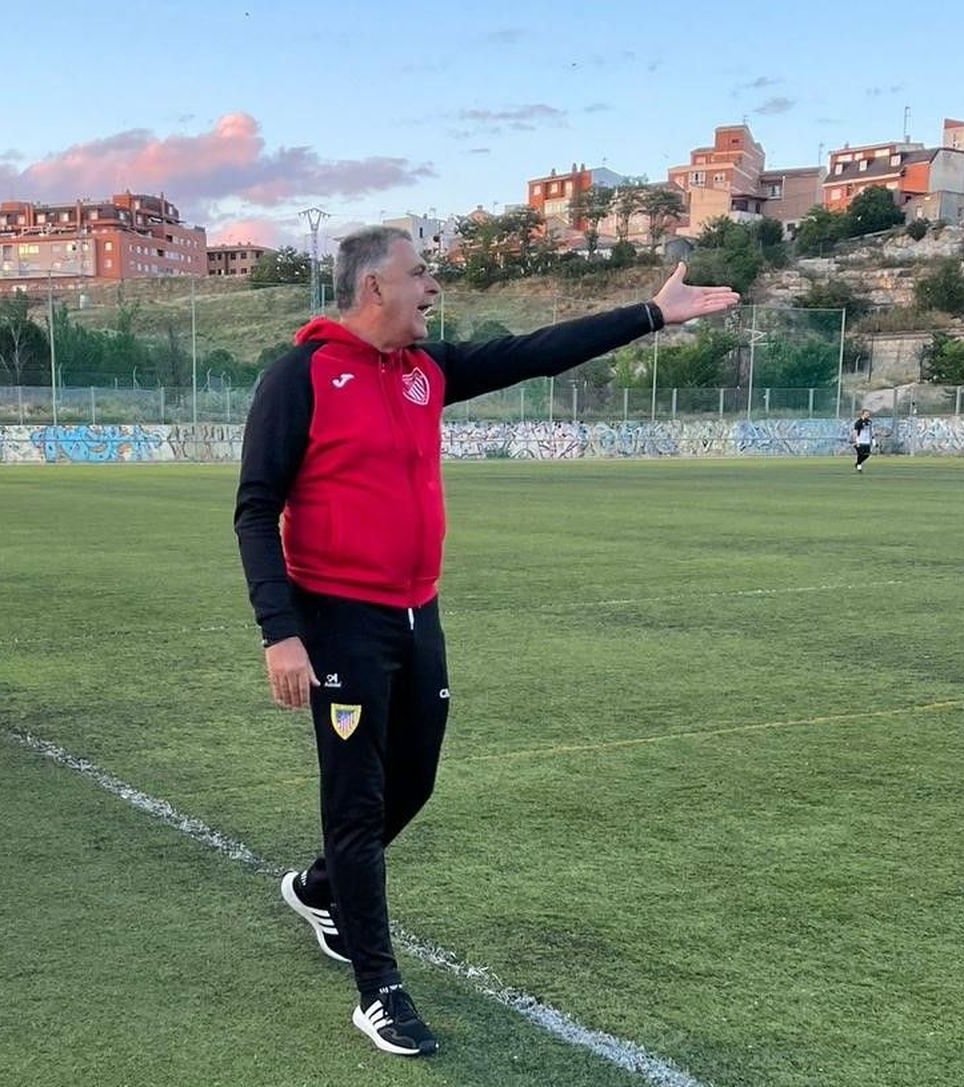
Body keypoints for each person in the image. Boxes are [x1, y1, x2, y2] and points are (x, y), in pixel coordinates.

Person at [234, 226, 738, 1057]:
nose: (433, 287)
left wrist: (651, 313)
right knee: (355, 801)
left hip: (415, 613)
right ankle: (379, 991)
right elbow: (255, 508)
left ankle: (320, 888)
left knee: (414, 781)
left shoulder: (426, 372)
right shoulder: (303, 377)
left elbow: (532, 353)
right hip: (336, 621)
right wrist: (280, 634)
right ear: (374, 287)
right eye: (419, 273)